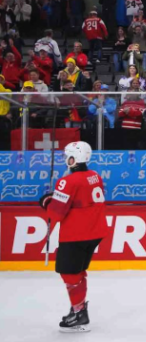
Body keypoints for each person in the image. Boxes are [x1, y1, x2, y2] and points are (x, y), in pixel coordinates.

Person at [39, 142, 109, 332]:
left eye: (66, 156)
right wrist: (59, 195)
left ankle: (79, 314)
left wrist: (46, 201)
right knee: (77, 271)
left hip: (76, 234)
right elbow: (80, 199)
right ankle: (78, 308)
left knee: (69, 273)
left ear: (73, 159)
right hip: (95, 231)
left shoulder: (67, 181)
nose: (64, 159)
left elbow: (56, 214)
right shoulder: (95, 176)